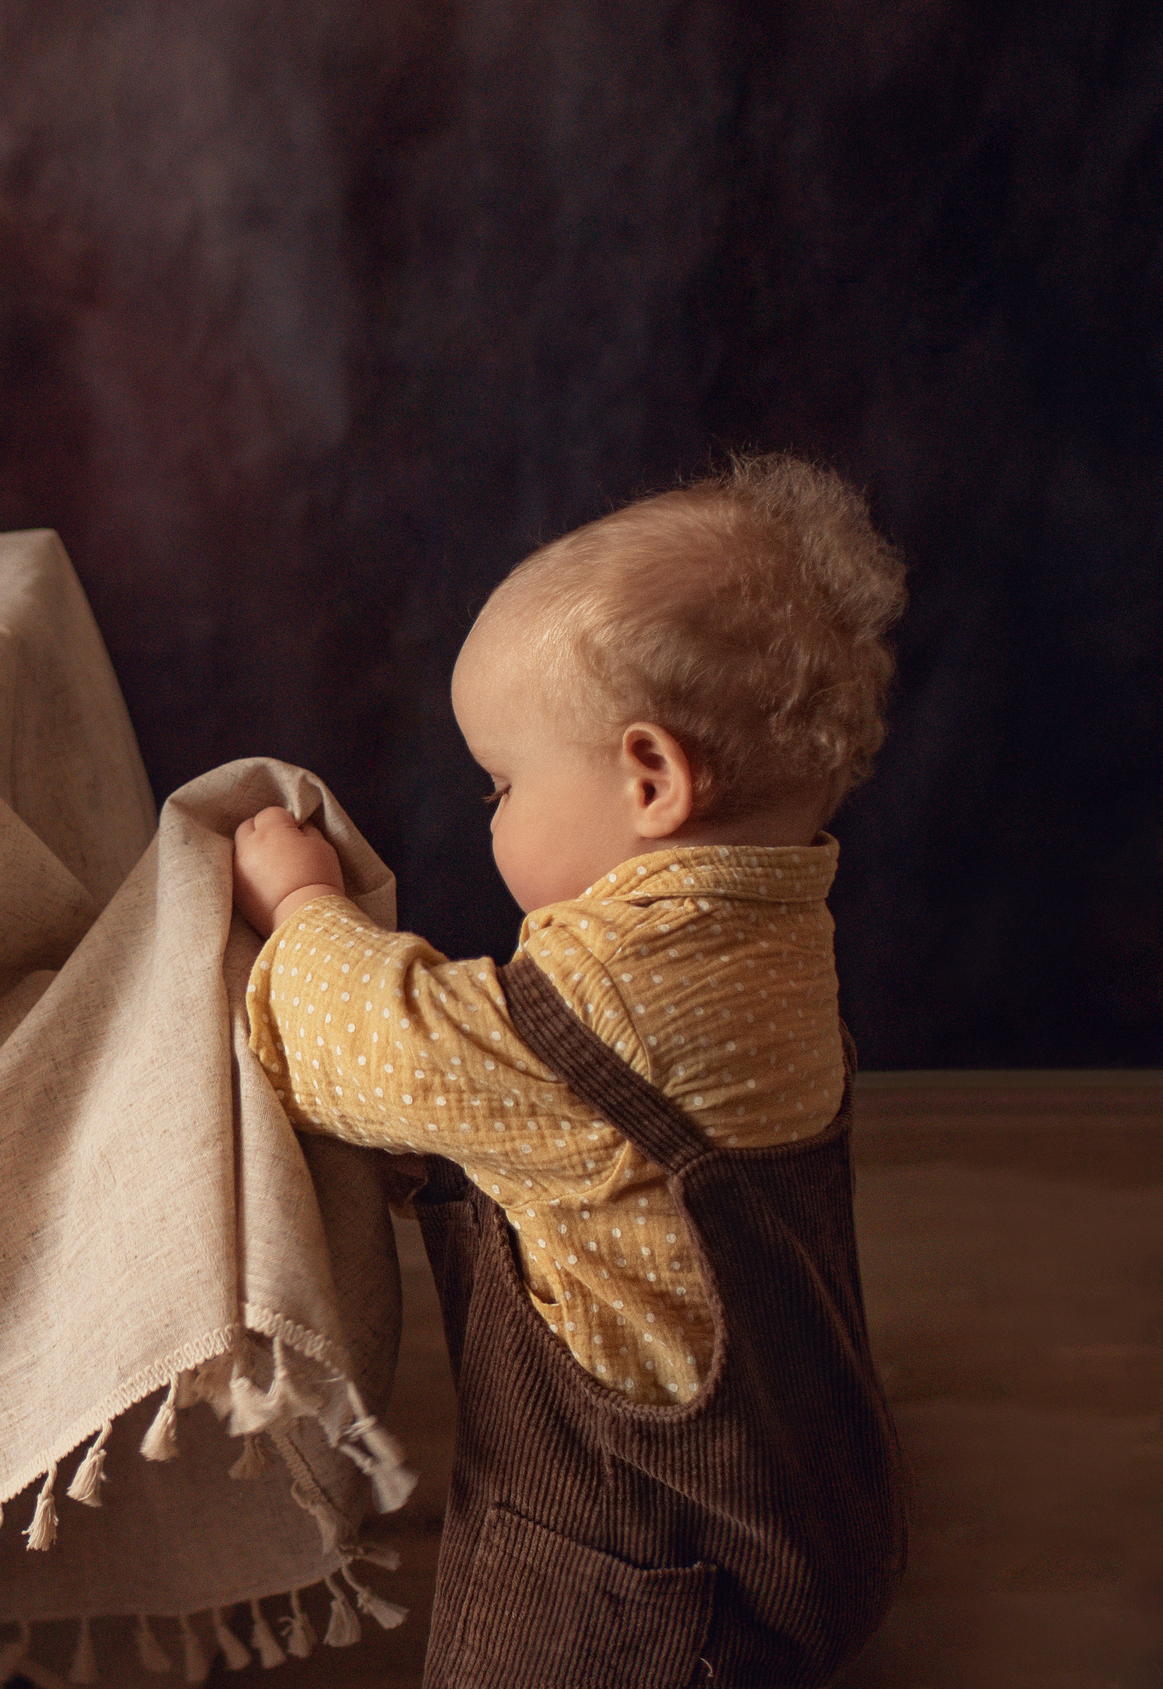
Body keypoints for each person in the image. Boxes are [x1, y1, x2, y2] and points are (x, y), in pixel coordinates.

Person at [233, 453, 909, 1687]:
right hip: (805, 1509)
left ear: (648, 779)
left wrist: (304, 903)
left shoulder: (602, 1014)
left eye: (500, 781)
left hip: (638, 1585)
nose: (487, 810)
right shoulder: (774, 924)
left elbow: (374, 1049)